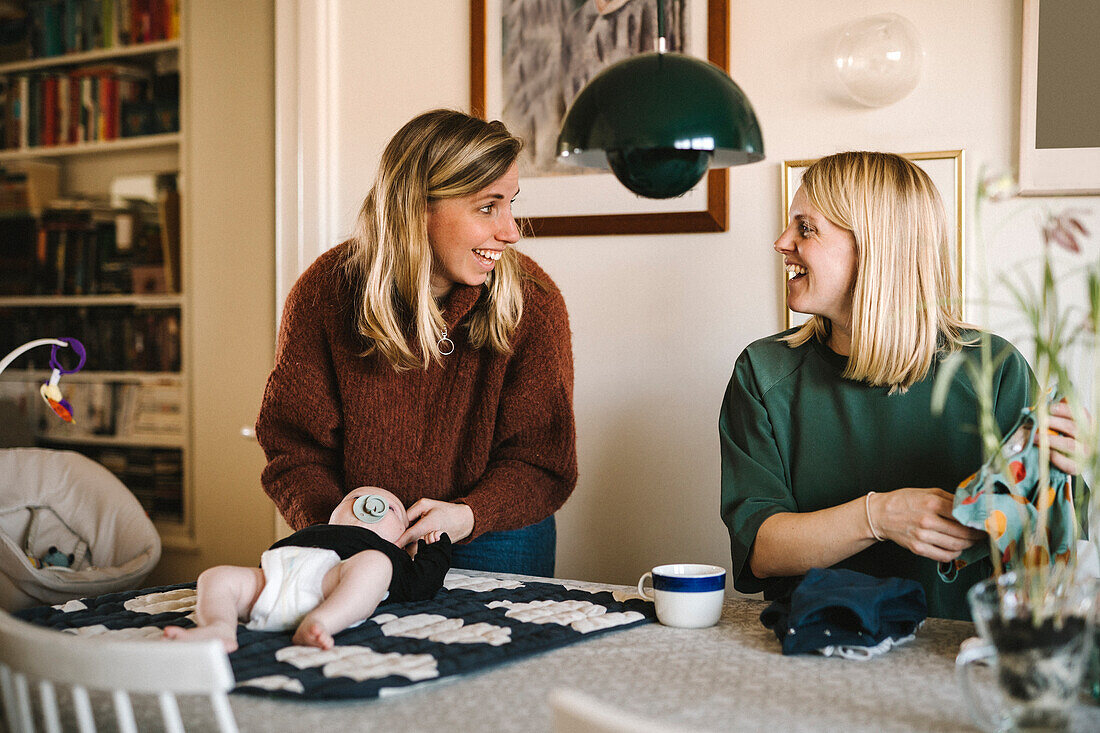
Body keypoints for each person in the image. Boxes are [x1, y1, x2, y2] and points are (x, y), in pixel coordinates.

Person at [719, 151, 1083, 620]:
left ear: (875, 246)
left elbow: (1055, 544)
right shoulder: (763, 372)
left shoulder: (994, 371)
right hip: (813, 648)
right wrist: (879, 517)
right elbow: (761, 551)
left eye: (805, 228)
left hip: (958, 657)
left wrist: (1068, 467)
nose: (781, 242)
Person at [256, 109, 577, 578]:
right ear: (417, 207)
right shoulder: (325, 292)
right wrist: (342, 525)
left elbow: (540, 461)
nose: (510, 230)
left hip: (494, 533)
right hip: (359, 533)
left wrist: (465, 515)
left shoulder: (533, 301)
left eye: (511, 203)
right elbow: (294, 448)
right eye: (488, 207)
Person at [163, 487, 451, 651]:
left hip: (332, 583)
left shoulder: (387, 553)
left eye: (391, 509)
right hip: (275, 583)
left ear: (401, 540)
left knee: (375, 566)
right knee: (215, 576)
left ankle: (321, 622)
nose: (371, 506)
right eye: (354, 499)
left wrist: (434, 549)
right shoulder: (315, 531)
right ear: (333, 515)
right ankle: (220, 626)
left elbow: (421, 583)